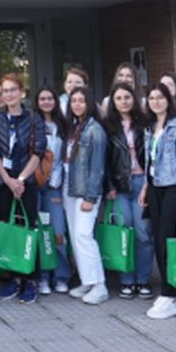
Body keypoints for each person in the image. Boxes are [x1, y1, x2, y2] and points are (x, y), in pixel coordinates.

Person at [0, 74, 45, 305]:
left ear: (21, 92)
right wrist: (8, 180)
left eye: (12, 90)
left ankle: (31, 280)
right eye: (4, 91)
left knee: (29, 229)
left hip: (27, 184)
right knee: (9, 230)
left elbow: (39, 150)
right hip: (5, 184)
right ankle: (13, 277)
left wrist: (20, 180)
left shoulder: (33, 118)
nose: (8, 95)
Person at [141, 83, 176, 320]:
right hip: (155, 187)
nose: (156, 101)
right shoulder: (150, 127)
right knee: (158, 238)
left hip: (173, 188)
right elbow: (149, 162)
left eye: (160, 97)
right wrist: (145, 186)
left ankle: (169, 293)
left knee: (167, 241)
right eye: (151, 98)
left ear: (168, 100)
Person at [100, 83, 152, 298]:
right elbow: (103, 160)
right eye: (119, 98)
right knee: (125, 233)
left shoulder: (145, 123)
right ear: (113, 101)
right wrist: (109, 186)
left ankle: (143, 279)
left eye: (127, 97)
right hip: (119, 187)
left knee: (143, 234)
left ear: (134, 99)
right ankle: (126, 280)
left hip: (142, 183)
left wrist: (149, 184)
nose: (123, 101)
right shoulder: (107, 126)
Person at [62, 85, 108, 305]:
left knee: (84, 235)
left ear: (89, 103)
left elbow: (98, 167)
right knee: (75, 236)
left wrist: (91, 197)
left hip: (86, 192)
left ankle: (99, 286)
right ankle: (87, 281)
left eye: (81, 100)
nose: (77, 104)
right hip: (70, 189)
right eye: (74, 101)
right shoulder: (74, 127)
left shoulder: (94, 129)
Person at [33, 85, 72, 294]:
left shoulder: (64, 125)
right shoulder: (33, 123)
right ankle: (43, 277)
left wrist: (58, 176)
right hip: (35, 183)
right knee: (39, 233)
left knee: (58, 232)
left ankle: (62, 275)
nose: (46, 102)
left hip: (55, 186)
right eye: (42, 98)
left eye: (50, 98)